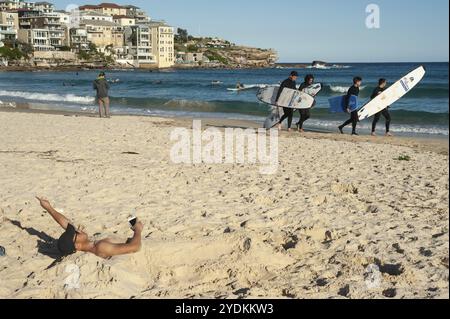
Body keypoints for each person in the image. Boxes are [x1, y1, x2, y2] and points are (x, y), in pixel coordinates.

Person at [36, 197, 143, 259]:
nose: (77, 230)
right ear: (77, 245)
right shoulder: (101, 247)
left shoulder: (82, 244)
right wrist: (138, 230)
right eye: (75, 233)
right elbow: (134, 247)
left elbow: (66, 223)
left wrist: (48, 208)